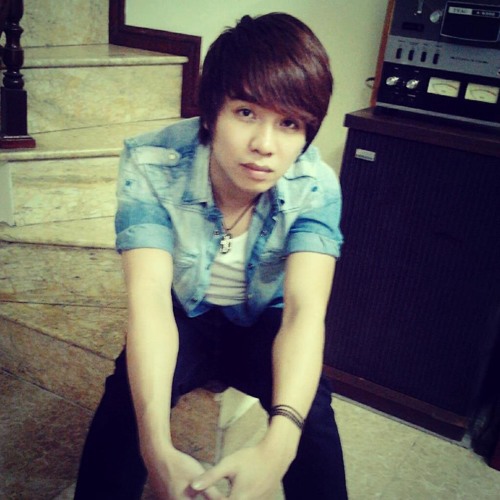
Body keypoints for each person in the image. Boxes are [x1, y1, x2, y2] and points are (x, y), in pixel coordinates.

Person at [75, 12, 347, 500]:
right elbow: (149, 301)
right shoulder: (154, 162)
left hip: (263, 321)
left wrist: (279, 447)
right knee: (125, 403)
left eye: (289, 123)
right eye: (246, 112)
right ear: (211, 113)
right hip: (185, 315)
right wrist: (156, 449)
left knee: (313, 417)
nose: (264, 145)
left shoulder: (315, 184)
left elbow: (305, 311)